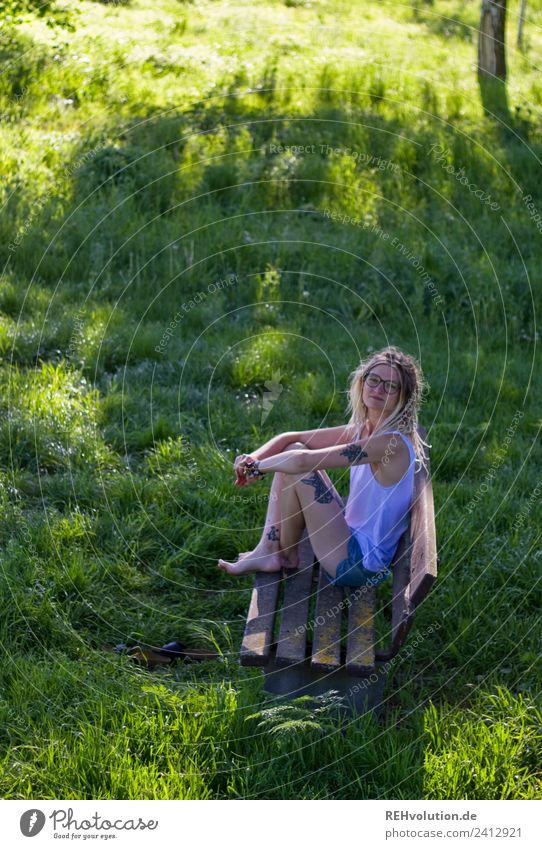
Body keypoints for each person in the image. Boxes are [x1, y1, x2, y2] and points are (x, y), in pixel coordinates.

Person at [217, 345, 429, 587]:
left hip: (359, 565)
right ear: (362, 381)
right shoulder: (365, 429)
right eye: (374, 379)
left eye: (391, 386)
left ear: (404, 397)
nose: (378, 389)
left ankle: (273, 552)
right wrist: (251, 459)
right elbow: (290, 437)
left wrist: (258, 469)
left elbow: (301, 461)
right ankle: (275, 552)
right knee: (293, 450)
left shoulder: (391, 443)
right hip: (349, 539)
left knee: (296, 463)